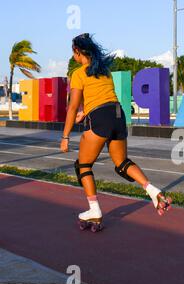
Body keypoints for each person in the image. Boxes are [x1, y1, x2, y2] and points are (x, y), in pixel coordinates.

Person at [60, 33, 171, 232]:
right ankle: (153, 191)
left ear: (78, 52)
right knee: (122, 163)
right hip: (118, 115)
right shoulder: (104, 71)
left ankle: (94, 210)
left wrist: (65, 136)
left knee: (83, 165)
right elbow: (104, 97)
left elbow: (72, 106)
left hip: (100, 118)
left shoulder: (78, 73)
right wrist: (85, 112)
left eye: (73, 51)